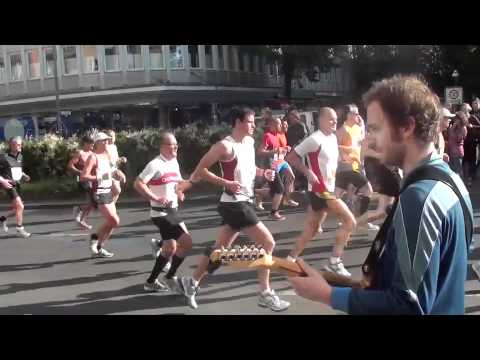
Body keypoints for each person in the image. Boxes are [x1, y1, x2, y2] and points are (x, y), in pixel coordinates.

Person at [289, 75, 473, 314]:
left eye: (375, 128)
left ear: (406, 127)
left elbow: (408, 306)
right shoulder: (452, 180)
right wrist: (331, 283)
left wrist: (327, 295)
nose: (369, 139)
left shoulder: (419, 199)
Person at [177, 106, 290, 312]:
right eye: (250, 121)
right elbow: (201, 170)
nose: (254, 125)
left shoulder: (248, 142)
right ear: (237, 122)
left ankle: (191, 283)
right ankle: (265, 293)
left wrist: (263, 173)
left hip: (240, 201)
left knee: (218, 252)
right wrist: (226, 183)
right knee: (268, 243)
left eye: (254, 121)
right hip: (235, 203)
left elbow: (248, 168)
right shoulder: (224, 146)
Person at [284, 107, 356, 277]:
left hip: (326, 189)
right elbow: (291, 157)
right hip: (320, 190)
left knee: (312, 229)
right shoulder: (313, 139)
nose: (334, 122)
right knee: (349, 221)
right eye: (331, 119)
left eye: (336, 119)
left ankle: (290, 259)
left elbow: (329, 161)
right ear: (321, 120)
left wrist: (344, 158)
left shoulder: (331, 137)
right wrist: (307, 172)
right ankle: (334, 262)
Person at [134, 132, 193, 293]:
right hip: (161, 213)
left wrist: (180, 192)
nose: (175, 147)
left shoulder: (173, 162)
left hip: (172, 211)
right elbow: (138, 184)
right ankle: (169, 277)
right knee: (186, 242)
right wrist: (156, 197)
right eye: (171, 145)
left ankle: (150, 282)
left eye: (176, 145)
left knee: (170, 248)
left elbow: (178, 183)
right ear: (162, 147)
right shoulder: (155, 164)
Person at [80, 132, 126, 258]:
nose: (107, 143)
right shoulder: (92, 157)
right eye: (104, 141)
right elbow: (83, 176)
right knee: (114, 220)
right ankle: (94, 238)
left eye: (108, 140)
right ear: (97, 143)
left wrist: (118, 173)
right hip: (99, 192)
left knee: (113, 223)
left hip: (108, 190)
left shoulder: (107, 155)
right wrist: (100, 177)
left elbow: (111, 171)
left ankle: (100, 248)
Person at [334, 104, 378, 231]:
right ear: (348, 115)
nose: (358, 115)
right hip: (347, 167)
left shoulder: (357, 128)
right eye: (355, 113)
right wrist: (346, 152)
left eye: (358, 113)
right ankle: (362, 221)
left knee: (336, 195)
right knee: (367, 190)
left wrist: (363, 125)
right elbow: (334, 145)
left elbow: (361, 142)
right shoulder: (343, 130)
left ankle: (343, 220)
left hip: (355, 166)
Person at [0, 136, 32, 238]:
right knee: (20, 206)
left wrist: (24, 175)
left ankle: (2, 218)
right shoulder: (3, 157)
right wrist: (3, 181)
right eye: (17, 144)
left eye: (20, 144)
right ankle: (20, 228)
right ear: (11, 145)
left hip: (17, 184)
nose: (20, 146)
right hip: (8, 185)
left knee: (17, 208)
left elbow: (18, 169)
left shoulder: (20, 157)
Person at [256, 117, 287, 220]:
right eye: (278, 124)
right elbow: (260, 151)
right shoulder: (267, 136)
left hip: (275, 165)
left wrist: (283, 150)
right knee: (280, 189)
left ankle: (254, 191)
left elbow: (277, 151)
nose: (281, 126)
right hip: (269, 166)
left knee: (274, 191)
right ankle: (273, 213)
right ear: (272, 125)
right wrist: (272, 152)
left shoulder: (277, 136)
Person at [68, 134, 95, 230]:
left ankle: (79, 210)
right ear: (85, 143)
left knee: (94, 202)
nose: (92, 146)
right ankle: (82, 220)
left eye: (93, 144)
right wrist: (80, 172)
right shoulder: (80, 153)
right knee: (93, 201)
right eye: (91, 144)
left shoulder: (92, 153)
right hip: (82, 179)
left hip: (91, 179)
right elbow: (70, 165)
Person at [277, 118, 298, 207]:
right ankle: (258, 196)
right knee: (270, 183)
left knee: (291, 177)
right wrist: (284, 149)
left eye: (287, 125)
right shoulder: (277, 135)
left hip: (283, 161)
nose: (286, 126)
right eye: (284, 125)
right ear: (280, 126)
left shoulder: (283, 135)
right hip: (276, 161)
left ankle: (287, 199)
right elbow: (275, 149)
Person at [105, 129, 127, 203]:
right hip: (106, 172)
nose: (111, 138)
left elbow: (116, 160)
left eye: (113, 136)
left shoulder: (114, 147)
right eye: (109, 136)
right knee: (117, 190)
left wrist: (121, 159)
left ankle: (110, 207)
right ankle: (108, 208)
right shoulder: (104, 146)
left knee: (117, 191)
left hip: (114, 170)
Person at [447, 111, 468, 178]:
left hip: (457, 152)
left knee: (458, 170)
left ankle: (460, 184)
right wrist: (453, 128)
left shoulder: (463, 128)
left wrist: (451, 129)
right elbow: (449, 135)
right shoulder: (455, 127)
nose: (455, 120)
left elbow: (458, 139)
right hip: (451, 151)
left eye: (456, 118)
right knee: (452, 170)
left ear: (460, 119)